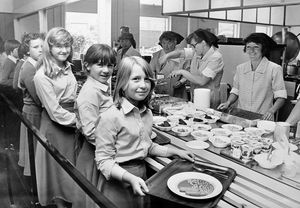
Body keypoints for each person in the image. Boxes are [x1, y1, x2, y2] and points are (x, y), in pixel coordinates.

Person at [94, 56, 194, 208]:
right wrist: (130, 178)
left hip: (140, 177)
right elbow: (103, 161)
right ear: (123, 83)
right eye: (136, 79)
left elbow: (147, 146)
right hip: (118, 183)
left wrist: (175, 152)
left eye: (146, 79)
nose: (143, 85)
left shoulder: (146, 113)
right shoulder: (110, 116)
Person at [33, 27, 77, 208]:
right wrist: (82, 122)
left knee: (70, 173)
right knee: (58, 173)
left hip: (71, 125)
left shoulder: (67, 66)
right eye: (58, 46)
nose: (64, 50)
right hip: (57, 127)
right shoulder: (41, 75)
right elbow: (55, 111)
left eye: (67, 45)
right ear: (49, 48)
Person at [73, 44, 116, 208]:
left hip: (99, 152)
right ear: (87, 66)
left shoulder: (100, 87)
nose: (106, 70)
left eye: (110, 65)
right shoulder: (90, 92)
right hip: (95, 155)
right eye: (100, 64)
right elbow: (91, 133)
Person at [218, 33, 287, 120]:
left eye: (256, 47)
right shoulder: (240, 68)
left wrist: (271, 111)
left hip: (263, 117)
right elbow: (235, 91)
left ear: (263, 49)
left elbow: (281, 97)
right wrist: (228, 102)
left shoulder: (274, 69)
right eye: (248, 47)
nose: (251, 50)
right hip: (241, 116)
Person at [159, 29, 224, 108]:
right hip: (195, 98)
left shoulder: (215, 57)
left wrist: (182, 72)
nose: (192, 48)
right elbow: (180, 53)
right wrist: (167, 56)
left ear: (203, 43)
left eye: (194, 45)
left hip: (209, 101)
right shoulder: (196, 52)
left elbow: (202, 81)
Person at [18, 33, 44, 176]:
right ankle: (35, 180)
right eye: (35, 47)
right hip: (33, 112)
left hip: (33, 110)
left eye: (42, 46)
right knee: (34, 147)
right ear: (27, 50)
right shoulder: (29, 68)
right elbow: (38, 98)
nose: (40, 49)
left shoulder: (34, 65)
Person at [150, 31, 189, 99]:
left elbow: (188, 71)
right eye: (163, 43)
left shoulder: (183, 55)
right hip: (160, 90)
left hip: (178, 90)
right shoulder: (156, 55)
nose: (166, 46)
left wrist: (181, 81)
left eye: (169, 43)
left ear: (175, 42)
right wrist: (154, 81)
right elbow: (150, 71)